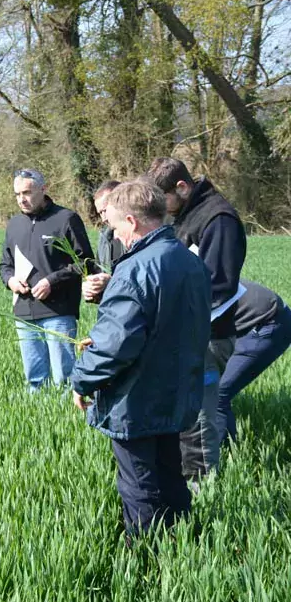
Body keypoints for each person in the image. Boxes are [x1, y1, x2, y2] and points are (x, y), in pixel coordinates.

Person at [71, 180, 211, 537]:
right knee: (171, 475)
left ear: (132, 221)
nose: (115, 236)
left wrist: (81, 379)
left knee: (139, 485)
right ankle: (183, 547)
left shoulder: (133, 269)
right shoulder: (190, 261)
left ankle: (146, 560)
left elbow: (116, 348)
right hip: (177, 391)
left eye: (115, 227)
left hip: (137, 398)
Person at [147, 157, 246, 480]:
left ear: (182, 187)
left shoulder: (219, 219)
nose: (163, 208)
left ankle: (205, 487)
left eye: (165, 200)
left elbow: (220, 286)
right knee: (187, 414)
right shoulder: (184, 213)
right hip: (184, 333)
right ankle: (190, 477)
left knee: (199, 418)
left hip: (209, 335)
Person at [0, 168, 95, 390]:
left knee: (64, 378)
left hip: (58, 311)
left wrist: (52, 281)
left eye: (27, 192)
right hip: (23, 310)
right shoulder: (14, 224)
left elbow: (87, 262)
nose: (21, 199)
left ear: (43, 189)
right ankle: (37, 416)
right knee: (34, 379)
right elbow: (5, 265)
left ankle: (67, 418)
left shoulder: (66, 219)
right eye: (17, 194)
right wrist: (10, 281)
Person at [217, 280, 291, 443]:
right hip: (249, 320)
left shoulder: (183, 293)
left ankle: (220, 457)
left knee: (217, 394)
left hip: (269, 323)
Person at [82, 180, 124, 304]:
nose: (103, 218)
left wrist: (111, 282)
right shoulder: (104, 238)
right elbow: (99, 272)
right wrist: (92, 289)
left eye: (105, 210)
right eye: (100, 213)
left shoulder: (140, 235)